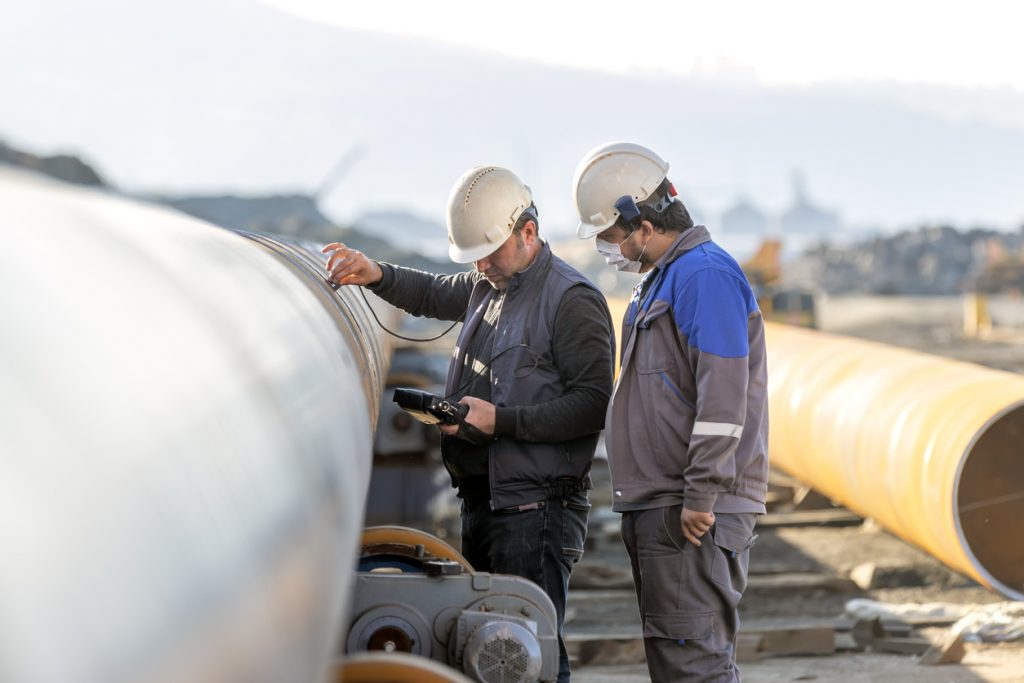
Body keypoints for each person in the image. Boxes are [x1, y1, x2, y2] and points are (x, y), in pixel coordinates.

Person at [324, 165, 615, 683]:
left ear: (528, 232)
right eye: (474, 256)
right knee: (492, 652)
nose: (481, 264)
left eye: (489, 251)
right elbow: (434, 292)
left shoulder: (572, 301)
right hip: (487, 502)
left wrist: (501, 420)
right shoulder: (491, 283)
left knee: (528, 656)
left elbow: (593, 406)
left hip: (536, 511)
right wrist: (376, 273)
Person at [572, 142, 769, 682]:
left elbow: (725, 397)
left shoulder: (704, 276)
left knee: (693, 665)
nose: (609, 249)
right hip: (666, 503)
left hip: (694, 510)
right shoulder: (663, 278)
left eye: (611, 236)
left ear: (640, 219)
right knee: (678, 659)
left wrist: (702, 493)